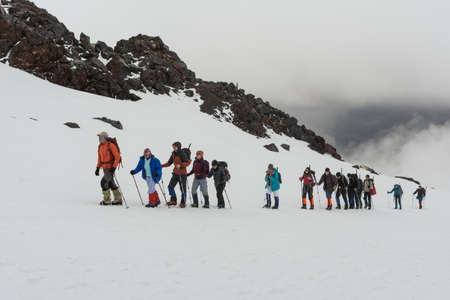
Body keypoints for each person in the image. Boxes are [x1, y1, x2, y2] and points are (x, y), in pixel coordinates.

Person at [95, 132, 122, 206]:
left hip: (110, 167)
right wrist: (97, 168)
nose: (99, 139)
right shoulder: (100, 146)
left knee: (103, 182)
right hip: (104, 168)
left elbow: (117, 157)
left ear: (105, 138)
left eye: (100, 137)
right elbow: (100, 158)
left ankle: (107, 200)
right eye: (99, 137)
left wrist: (114, 167)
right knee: (110, 182)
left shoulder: (111, 145)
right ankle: (118, 199)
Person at [162, 142, 191, 208]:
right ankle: (173, 200)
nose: (174, 148)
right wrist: (161, 166)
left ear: (179, 147)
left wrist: (180, 165)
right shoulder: (173, 154)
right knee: (170, 187)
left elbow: (187, 163)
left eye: (175, 147)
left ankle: (183, 202)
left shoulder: (182, 154)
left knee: (183, 189)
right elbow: (169, 163)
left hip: (182, 174)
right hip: (175, 173)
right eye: (173, 147)